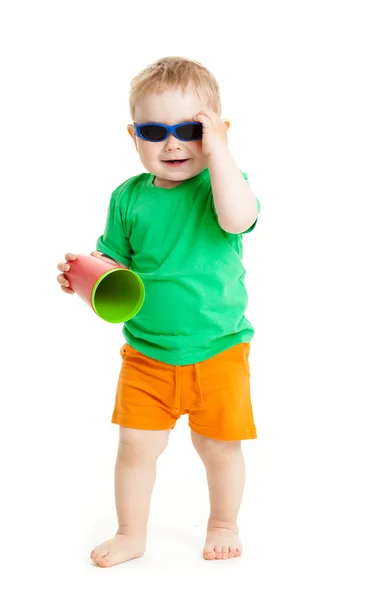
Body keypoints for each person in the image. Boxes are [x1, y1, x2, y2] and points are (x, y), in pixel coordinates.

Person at [56, 56, 260, 567]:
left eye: (190, 129)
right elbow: (115, 262)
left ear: (217, 132)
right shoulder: (128, 197)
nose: (172, 143)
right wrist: (85, 272)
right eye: (154, 130)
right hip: (146, 355)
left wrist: (221, 157)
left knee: (220, 449)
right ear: (134, 136)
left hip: (219, 350)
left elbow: (238, 219)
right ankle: (131, 533)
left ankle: (222, 521)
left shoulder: (222, 185)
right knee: (136, 449)